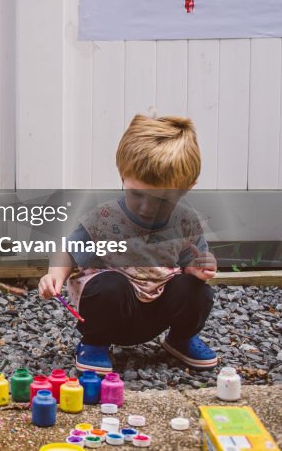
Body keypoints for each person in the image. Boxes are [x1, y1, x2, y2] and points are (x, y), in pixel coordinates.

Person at [39, 115, 218, 374]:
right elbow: (68, 250)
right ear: (123, 175)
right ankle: (95, 344)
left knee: (198, 292)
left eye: (162, 200)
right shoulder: (104, 219)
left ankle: (180, 338)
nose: (147, 208)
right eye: (137, 194)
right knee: (109, 285)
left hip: (157, 308)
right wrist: (54, 275)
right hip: (113, 310)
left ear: (188, 187)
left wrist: (199, 268)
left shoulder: (186, 221)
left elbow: (193, 260)